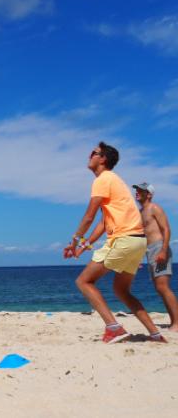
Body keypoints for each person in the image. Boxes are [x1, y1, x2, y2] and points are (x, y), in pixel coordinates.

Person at [64, 142, 165, 343]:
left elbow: (89, 216)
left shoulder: (103, 179)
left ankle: (114, 327)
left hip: (124, 239)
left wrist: (74, 242)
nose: (89, 155)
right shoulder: (115, 182)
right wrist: (85, 245)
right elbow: (103, 221)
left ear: (103, 159)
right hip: (137, 242)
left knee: (84, 282)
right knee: (121, 290)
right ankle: (155, 334)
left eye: (93, 153)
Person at [133, 182, 178, 332]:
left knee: (163, 287)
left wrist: (163, 250)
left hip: (159, 247)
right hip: (149, 250)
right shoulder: (140, 212)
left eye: (141, 190)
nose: (137, 192)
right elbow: (142, 236)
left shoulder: (155, 208)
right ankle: (174, 321)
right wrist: (139, 257)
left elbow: (166, 229)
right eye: (137, 190)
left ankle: (177, 323)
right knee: (159, 288)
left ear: (149, 194)